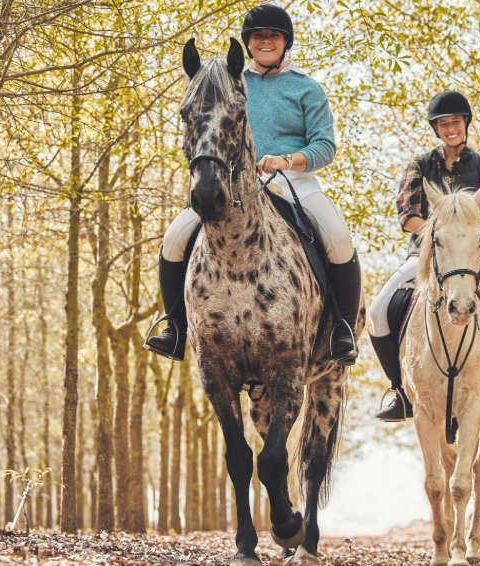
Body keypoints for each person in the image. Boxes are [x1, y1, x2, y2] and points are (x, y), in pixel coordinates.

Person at [145, 4, 361, 365]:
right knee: (174, 239)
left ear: (284, 43)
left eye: (272, 35)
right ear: (247, 43)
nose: (265, 41)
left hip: (295, 182)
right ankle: (175, 326)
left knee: (339, 240)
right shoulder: (230, 83)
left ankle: (342, 328)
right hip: (234, 182)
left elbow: (325, 146)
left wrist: (287, 161)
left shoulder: (306, 89)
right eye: (258, 36)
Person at [367, 90, 480, 422]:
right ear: (436, 129)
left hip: (472, 257)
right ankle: (398, 389)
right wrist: (440, 234)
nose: (451, 128)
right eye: (444, 124)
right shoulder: (419, 165)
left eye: (456, 122)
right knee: (378, 312)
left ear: (465, 123)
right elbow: (407, 216)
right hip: (424, 256)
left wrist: (460, 238)